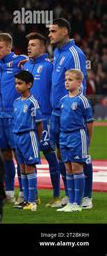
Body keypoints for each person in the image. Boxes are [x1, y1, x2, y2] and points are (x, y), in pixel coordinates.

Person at [48, 18, 91, 210]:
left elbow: (78, 82)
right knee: (62, 155)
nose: (50, 34)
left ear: (65, 32)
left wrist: (74, 108)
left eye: (53, 31)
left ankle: (86, 196)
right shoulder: (57, 52)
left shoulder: (74, 53)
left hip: (70, 111)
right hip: (56, 111)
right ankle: (71, 194)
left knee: (81, 156)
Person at [23, 32, 61, 207]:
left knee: (49, 154)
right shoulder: (26, 66)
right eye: (29, 45)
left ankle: (56, 195)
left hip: (45, 117)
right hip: (27, 119)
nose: (29, 47)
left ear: (43, 47)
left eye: (33, 45)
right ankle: (32, 196)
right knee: (27, 156)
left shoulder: (49, 66)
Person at [0, 33, 27, 203]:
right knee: (5, 155)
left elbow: (33, 63)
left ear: (8, 48)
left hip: (15, 116)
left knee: (19, 154)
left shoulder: (20, 61)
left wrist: (28, 60)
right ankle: (10, 192)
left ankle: (25, 192)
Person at [56, 69, 94, 213]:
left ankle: (77, 203)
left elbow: (89, 122)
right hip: (64, 136)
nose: (67, 82)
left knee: (77, 168)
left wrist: (88, 140)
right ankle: (71, 201)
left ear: (79, 82)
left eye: (70, 80)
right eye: (66, 80)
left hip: (77, 136)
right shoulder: (63, 100)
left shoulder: (82, 100)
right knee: (68, 169)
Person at [12, 71, 43, 211]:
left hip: (29, 136)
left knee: (30, 167)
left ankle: (32, 200)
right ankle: (25, 200)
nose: (17, 86)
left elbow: (39, 124)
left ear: (29, 84)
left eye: (20, 83)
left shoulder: (33, 102)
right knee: (22, 168)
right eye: (16, 84)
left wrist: (38, 139)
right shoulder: (16, 102)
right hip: (17, 136)